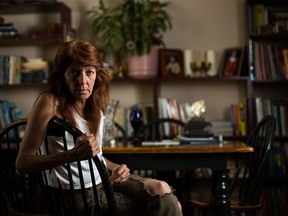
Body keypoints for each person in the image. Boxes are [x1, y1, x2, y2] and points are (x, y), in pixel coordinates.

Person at [16, 39, 182, 216]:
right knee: (166, 208)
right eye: (74, 72)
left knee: (163, 190)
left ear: (97, 74)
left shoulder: (95, 103)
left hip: (103, 179)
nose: (83, 80)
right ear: (62, 76)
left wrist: (115, 167)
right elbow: (23, 162)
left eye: (89, 72)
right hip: (75, 195)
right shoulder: (50, 102)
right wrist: (71, 155)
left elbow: (95, 156)